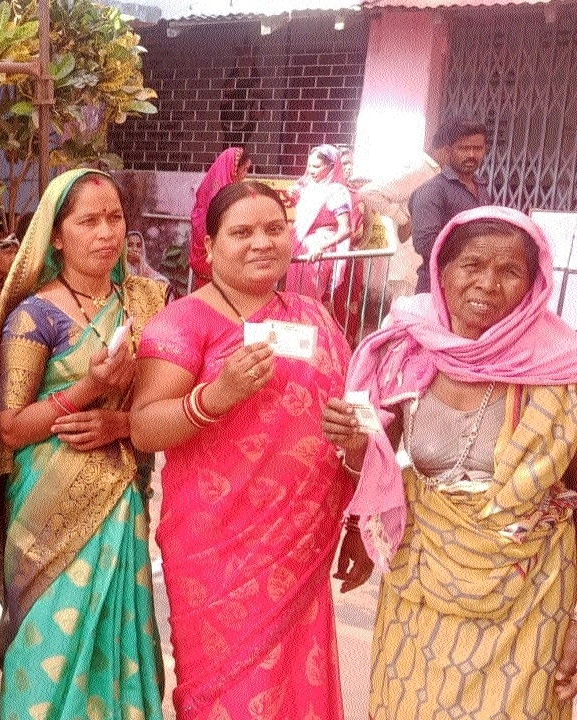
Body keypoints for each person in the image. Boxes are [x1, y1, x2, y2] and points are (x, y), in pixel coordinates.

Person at [324, 207, 577, 717]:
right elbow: (373, 464)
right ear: (441, 271)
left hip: (529, 595)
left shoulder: (561, 370)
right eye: (472, 265)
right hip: (419, 587)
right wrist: (351, 441)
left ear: (533, 284)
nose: (488, 283)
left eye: (510, 271)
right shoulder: (409, 348)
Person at [128, 181, 354, 719]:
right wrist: (217, 395)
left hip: (301, 548)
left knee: (297, 690)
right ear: (208, 246)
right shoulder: (185, 322)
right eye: (242, 232)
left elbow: (354, 414)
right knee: (225, 696)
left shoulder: (315, 317)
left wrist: (359, 452)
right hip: (218, 551)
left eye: (273, 229)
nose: (261, 243)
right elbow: (143, 427)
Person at [0, 169, 166, 720]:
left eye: (114, 219)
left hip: (120, 500)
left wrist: (121, 425)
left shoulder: (147, 301)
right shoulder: (35, 315)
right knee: (51, 642)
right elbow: (9, 427)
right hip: (47, 510)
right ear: (56, 236)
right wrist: (91, 388)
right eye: (88, 221)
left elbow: (161, 401)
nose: (106, 233)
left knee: (114, 639)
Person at [409, 118, 488, 292]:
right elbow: (424, 243)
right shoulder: (432, 191)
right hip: (436, 288)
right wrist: (474, 251)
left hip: (471, 286)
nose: (472, 155)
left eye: (477, 148)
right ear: (448, 150)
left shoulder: (480, 187)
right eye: (464, 148)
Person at [285, 144, 357, 301]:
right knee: (291, 299)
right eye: (310, 165)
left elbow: (346, 230)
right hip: (299, 247)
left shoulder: (336, 191)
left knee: (308, 301)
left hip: (317, 252)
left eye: (317, 167)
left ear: (331, 167)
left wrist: (322, 247)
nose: (311, 170)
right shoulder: (309, 188)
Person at [188, 147, 249, 283]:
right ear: (234, 169)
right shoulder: (222, 193)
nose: (245, 175)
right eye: (244, 169)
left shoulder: (222, 189)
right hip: (213, 255)